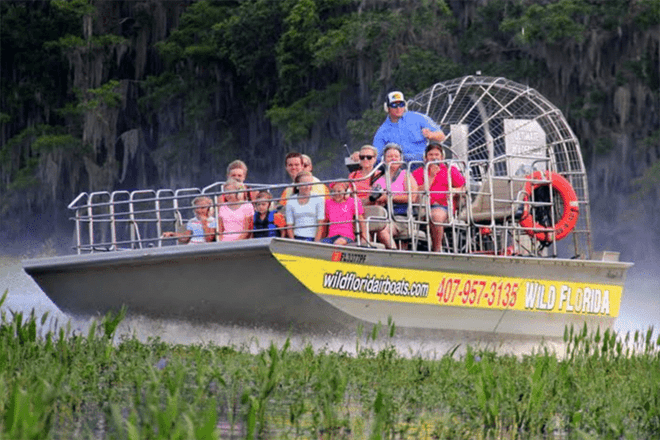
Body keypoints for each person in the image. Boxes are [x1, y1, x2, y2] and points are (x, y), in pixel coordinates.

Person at [412, 142, 466, 252]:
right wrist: (431, 177)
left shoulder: (450, 170)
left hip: (444, 207)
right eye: (431, 155)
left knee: (436, 216)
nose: (434, 157)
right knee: (433, 215)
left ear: (442, 157)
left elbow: (464, 188)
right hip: (422, 207)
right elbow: (416, 191)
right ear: (425, 157)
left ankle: (436, 250)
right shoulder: (418, 172)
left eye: (437, 154)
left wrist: (454, 190)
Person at [369, 143, 418, 248]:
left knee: (381, 230)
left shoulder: (406, 174)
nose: (393, 159)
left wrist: (389, 197)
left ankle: (394, 253)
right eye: (390, 156)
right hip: (382, 215)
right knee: (366, 226)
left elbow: (413, 197)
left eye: (396, 156)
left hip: (400, 217)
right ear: (384, 159)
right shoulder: (377, 177)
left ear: (401, 159)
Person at [373, 91, 446, 162]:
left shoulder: (418, 117)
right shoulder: (382, 131)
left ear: (405, 105)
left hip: (423, 164)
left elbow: (442, 136)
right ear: (387, 108)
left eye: (401, 104)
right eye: (394, 105)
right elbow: (377, 156)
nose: (398, 108)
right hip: (399, 167)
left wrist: (430, 135)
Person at [322, 181, 368, 246]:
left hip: (347, 237)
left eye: (339, 191)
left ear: (346, 192)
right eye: (334, 191)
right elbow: (325, 222)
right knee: (321, 244)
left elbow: (361, 220)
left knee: (338, 243)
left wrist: (364, 237)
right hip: (331, 236)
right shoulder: (328, 203)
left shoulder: (353, 202)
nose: (336, 194)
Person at [285, 171, 325, 242]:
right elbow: (289, 225)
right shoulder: (290, 201)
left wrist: (316, 242)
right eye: (304, 184)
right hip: (297, 238)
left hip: (313, 239)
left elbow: (320, 224)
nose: (307, 187)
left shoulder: (318, 199)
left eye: (309, 184)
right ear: (297, 185)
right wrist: (293, 241)